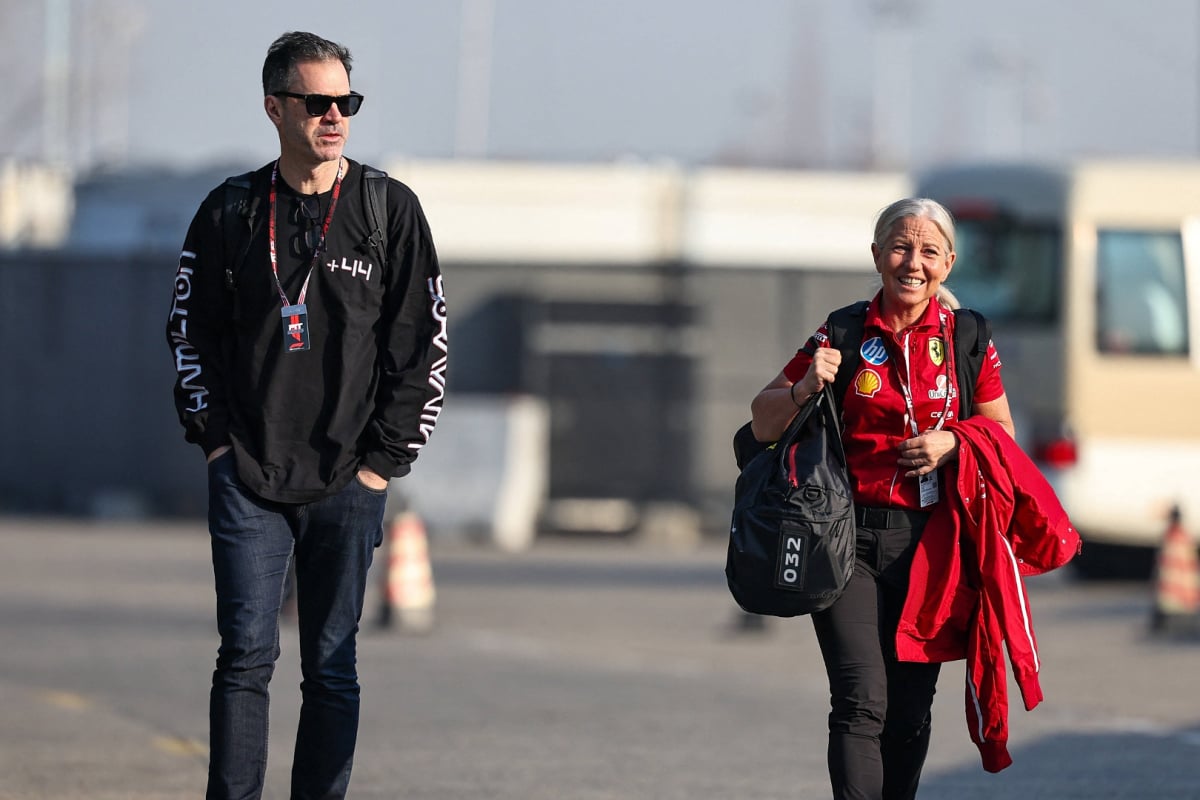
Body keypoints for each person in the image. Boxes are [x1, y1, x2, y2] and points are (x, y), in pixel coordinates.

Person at [165, 31, 447, 800]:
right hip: (248, 474)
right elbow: (189, 332)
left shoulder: (388, 209)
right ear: (275, 108)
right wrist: (217, 444)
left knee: (331, 668)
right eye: (318, 102)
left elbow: (423, 346)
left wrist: (381, 465)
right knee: (245, 658)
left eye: (345, 103)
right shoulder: (229, 210)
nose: (335, 117)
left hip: (347, 480)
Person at [749, 198, 1013, 800]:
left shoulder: (968, 336)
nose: (911, 262)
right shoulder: (841, 331)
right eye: (899, 246)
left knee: (910, 710)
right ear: (876, 256)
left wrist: (954, 441)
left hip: (933, 549)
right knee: (861, 701)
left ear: (948, 261)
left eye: (927, 251)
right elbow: (762, 421)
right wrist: (805, 385)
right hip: (847, 543)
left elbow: (1003, 435)